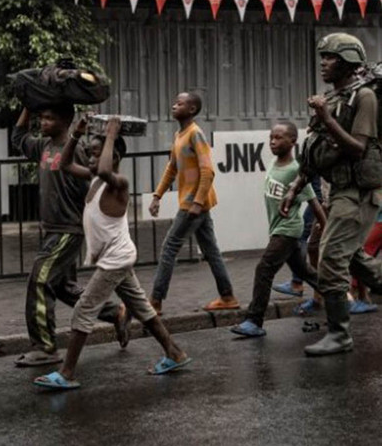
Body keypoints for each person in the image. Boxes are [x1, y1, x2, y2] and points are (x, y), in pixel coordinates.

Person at [33, 116, 191, 390]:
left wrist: (110, 135)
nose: (91, 160)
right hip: (117, 258)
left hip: (114, 261)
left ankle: (67, 373)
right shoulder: (96, 179)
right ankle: (175, 353)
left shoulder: (119, 182)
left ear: (114, 156)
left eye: (95, 155)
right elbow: (67, 165)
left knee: (83, 310)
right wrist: (75, 135)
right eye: (91, 155)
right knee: (142, 308)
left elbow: (105, 168)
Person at [281, 33, 382, 356]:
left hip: (357, 194)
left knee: (331, 260)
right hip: (338, 190)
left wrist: (326, 117)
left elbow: (357, 148)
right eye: (323, 57)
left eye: (331, 58)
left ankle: (340, 334)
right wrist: (296, 187)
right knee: (358, 263)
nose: (323, 63)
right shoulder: (335, 97)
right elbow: (316, 151)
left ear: (349, 62)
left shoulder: (363, 97)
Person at [11, 105, 127, 367]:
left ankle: (44, 347)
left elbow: (102, 173)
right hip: (52, 228)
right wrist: (29, 107)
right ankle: (115, 312)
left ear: (65, 121)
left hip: (68, 229)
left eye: (50, 117)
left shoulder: (80, 150)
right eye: (42, 118)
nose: (43, 122)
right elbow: (17, 138)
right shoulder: (43, 147)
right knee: (63, 287)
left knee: (39, 281)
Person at [231, 122, 326, 337]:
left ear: (292, 142)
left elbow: (313, 199)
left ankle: (255, 320)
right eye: (271, 137)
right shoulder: (275, 163)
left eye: (279, 138)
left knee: (263, 269)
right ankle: (338, 295)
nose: (273, 142)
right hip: (278, 230)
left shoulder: (295, 170)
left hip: (288, 229)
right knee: (304, 272)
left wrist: (324, 224)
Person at [148, 92, 239, 314]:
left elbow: (208, 170)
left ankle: (155, 301)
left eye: (179, 103)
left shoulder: (195, 134)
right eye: (174, 101)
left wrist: (197, 202)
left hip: (193, 204)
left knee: (169, 247)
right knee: (211, 250)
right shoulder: (180, 135)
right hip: (196, 203)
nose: (173, 105)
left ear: (191, 110)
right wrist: (157, 195)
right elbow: (172, 168)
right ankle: (227, 296)